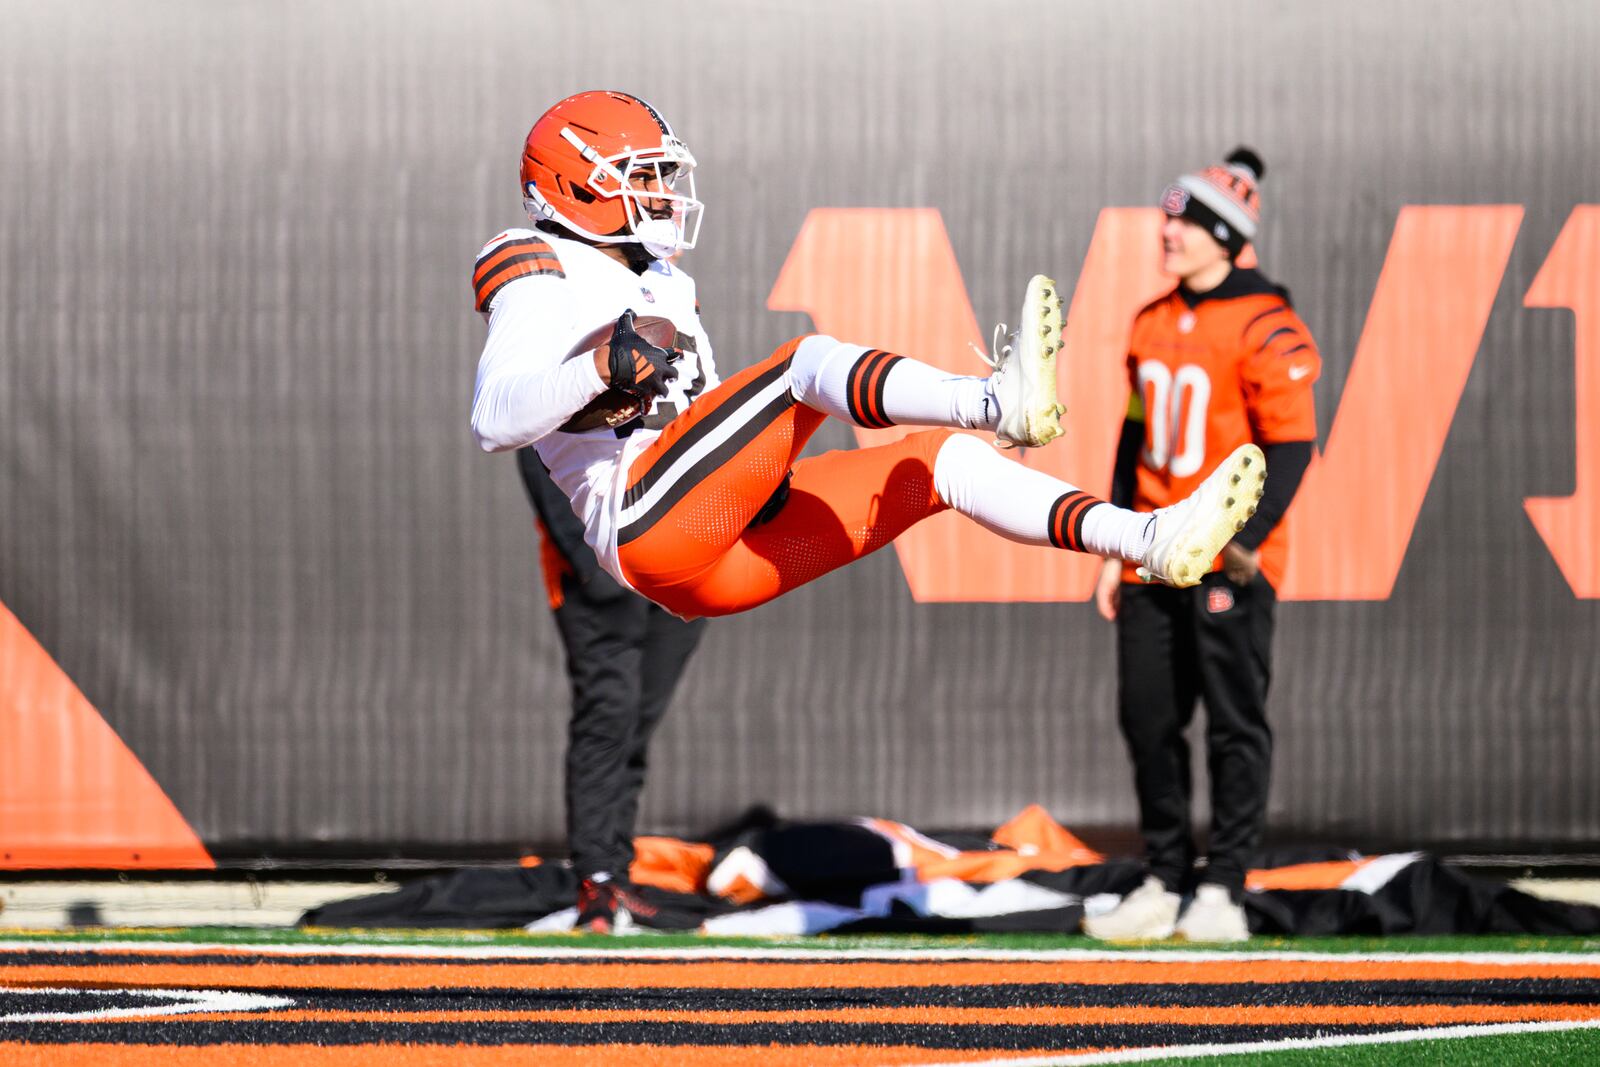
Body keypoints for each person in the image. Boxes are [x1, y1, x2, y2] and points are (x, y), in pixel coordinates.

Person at [470, 93, 1266, 925]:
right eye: (643, 177)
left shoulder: (662, 278)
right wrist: (600, 364)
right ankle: (996, 397)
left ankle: (1147, 534)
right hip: (643, 523)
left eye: (665, 176)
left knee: (937, 468)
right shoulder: (531, 257)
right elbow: (495, 416)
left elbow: (698, 422)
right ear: (575, 185)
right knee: (805, 363)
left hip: (712, 549)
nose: (665, 194)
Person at [1085, 149, 1320, 943]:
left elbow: (1291, 445)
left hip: (1229, 558)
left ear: (1224, 234)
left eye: (1183, 221)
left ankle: (1223, 885)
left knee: (1232, 719)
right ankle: (1163, 875)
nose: (1168, 233)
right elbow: (1133, 437)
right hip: (1152, 545)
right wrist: (1114, 545)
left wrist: (1249, 539)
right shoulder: (1151, 320)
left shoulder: (1267, 321)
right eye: (1168, 219)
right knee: (1147, 716)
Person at [516, 448, 707, 933]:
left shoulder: (692, 369)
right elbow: (533, 438)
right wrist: (591, 563)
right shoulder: (569, 369)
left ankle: (617, 873)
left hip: (674, 567)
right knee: (608, 716)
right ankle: (595, 880)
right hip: (600, 575)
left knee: (637, 724)